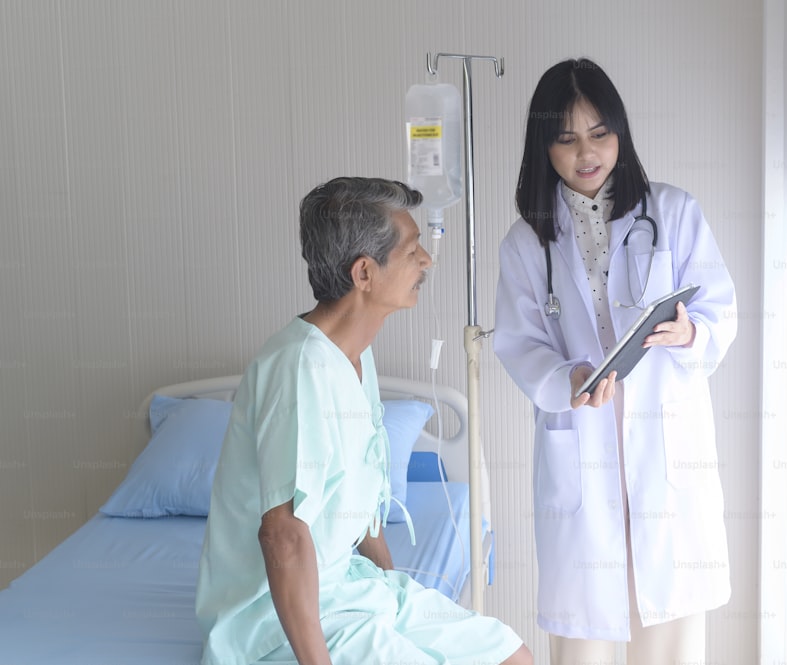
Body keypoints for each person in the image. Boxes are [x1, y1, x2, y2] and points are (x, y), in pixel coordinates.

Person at [195, 177, 531, 665]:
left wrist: (394, 598)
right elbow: (282, 533)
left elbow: (361, 493)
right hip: (273, 617)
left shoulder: (354, 355)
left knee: (513, 657)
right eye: (413, 250)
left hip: (351, 587)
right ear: (364, 273)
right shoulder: (299, 370)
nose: (427, 262)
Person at [493, 59, 737, 665]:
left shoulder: (674, 213)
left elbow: (721, 311)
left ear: (620, 133)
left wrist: (689, 333)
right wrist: (567, 378)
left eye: (599, 133)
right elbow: (520, 344)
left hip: (663, 448)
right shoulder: (526, 244)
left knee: (671, 638)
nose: (586, 153)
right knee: (585, 642)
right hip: (585, 443)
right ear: (542, 146)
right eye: (567, 138)